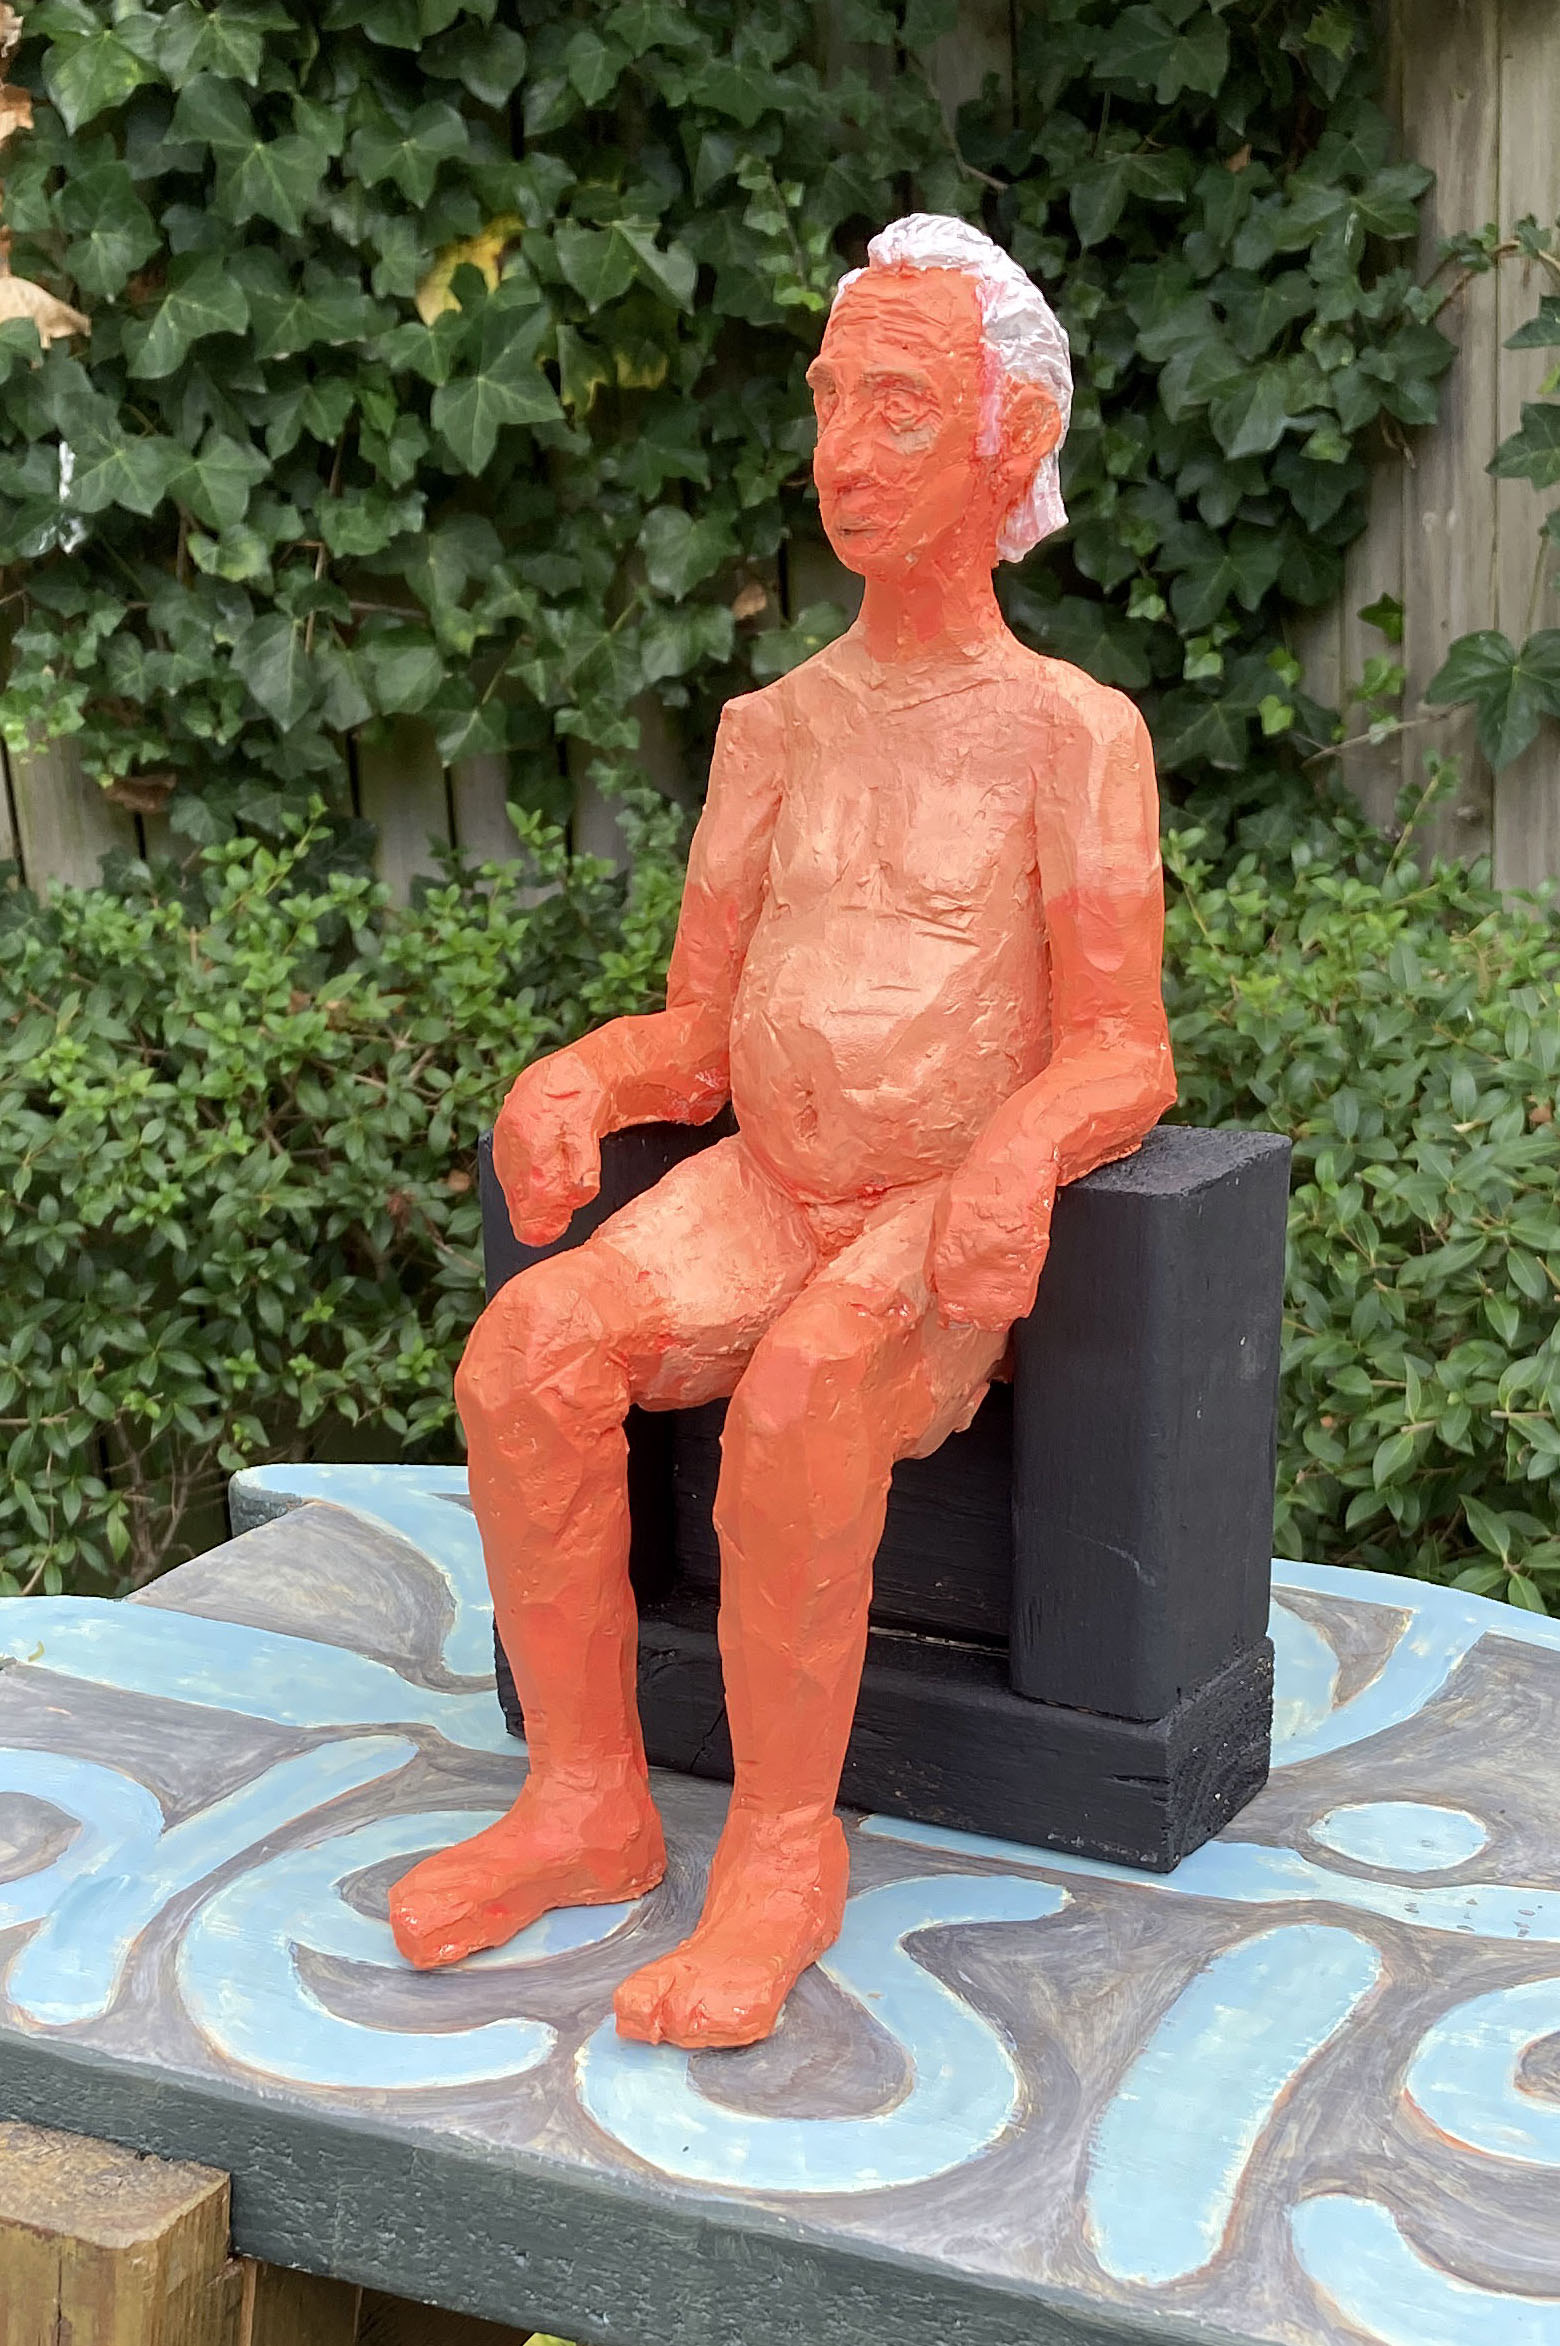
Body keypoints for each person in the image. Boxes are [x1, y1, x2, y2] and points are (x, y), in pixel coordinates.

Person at [390, 214, 1176, 2048]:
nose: (844, 449)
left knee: (811, 1388)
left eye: (899, 407)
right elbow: (699, 1030)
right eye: (831, 401)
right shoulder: (774, 727)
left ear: (1008, 435)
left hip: (925, 1217)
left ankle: (779, 1847)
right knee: (523, 1354)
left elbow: (1125, 1048)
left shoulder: (1074, 735)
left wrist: (1013, 1156)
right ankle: (586, 1801)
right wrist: (585, 1073)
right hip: (765, 1189)